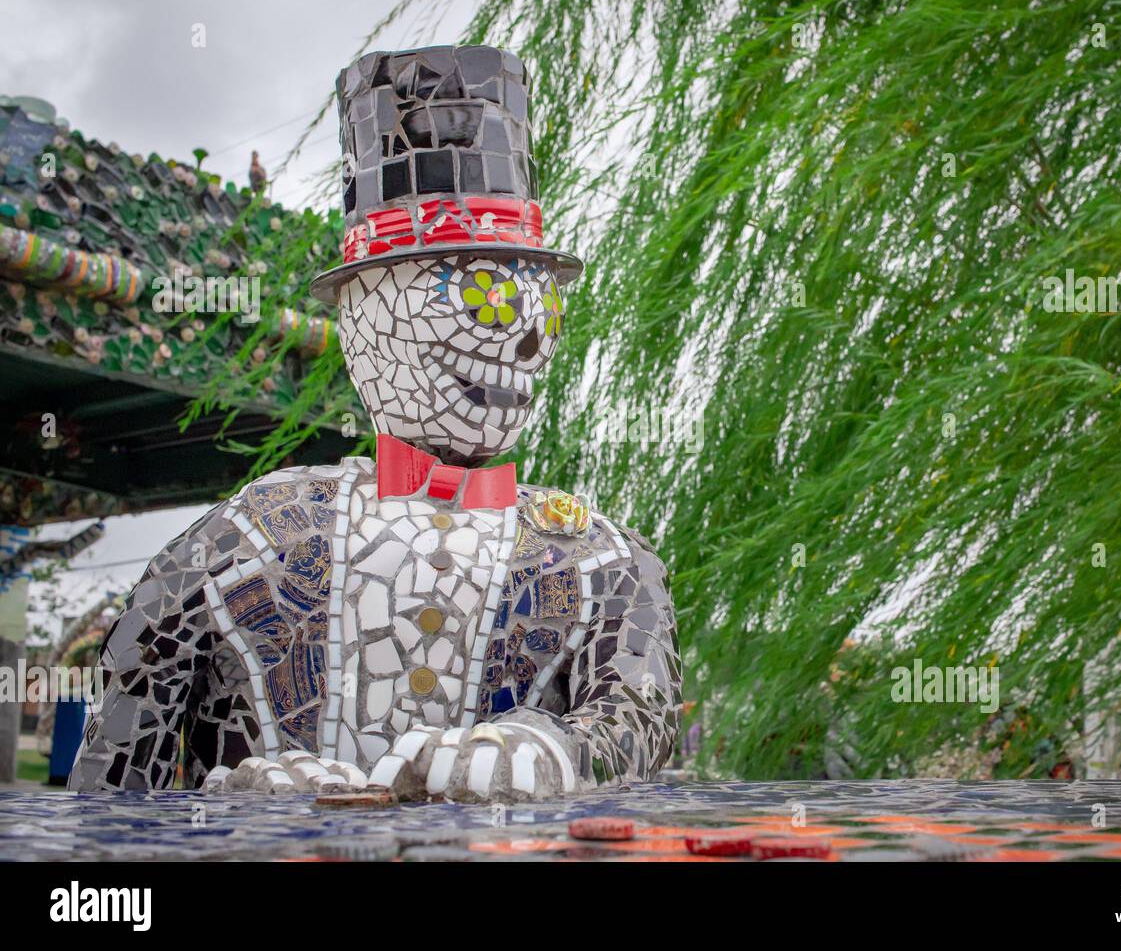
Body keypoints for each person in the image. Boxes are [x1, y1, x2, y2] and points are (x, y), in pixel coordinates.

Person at [69, 45, 681, 803]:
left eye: (545, 305)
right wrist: (225, 810)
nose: (528, 337)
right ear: (362, 320)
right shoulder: (243, 541)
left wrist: (557, 750)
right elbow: (112, 788)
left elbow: (642, 717)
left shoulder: (602, 563)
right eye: (484, 296)